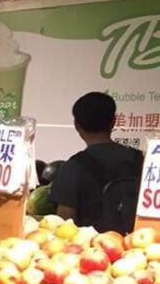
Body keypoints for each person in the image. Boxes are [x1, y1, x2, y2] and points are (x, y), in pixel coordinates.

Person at [50, 91, 144, 233]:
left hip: (90, 248)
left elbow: (64, 225)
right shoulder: (141, 160)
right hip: (138, 246)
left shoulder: (72, 168)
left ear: (77, 125)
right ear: (114, 122)